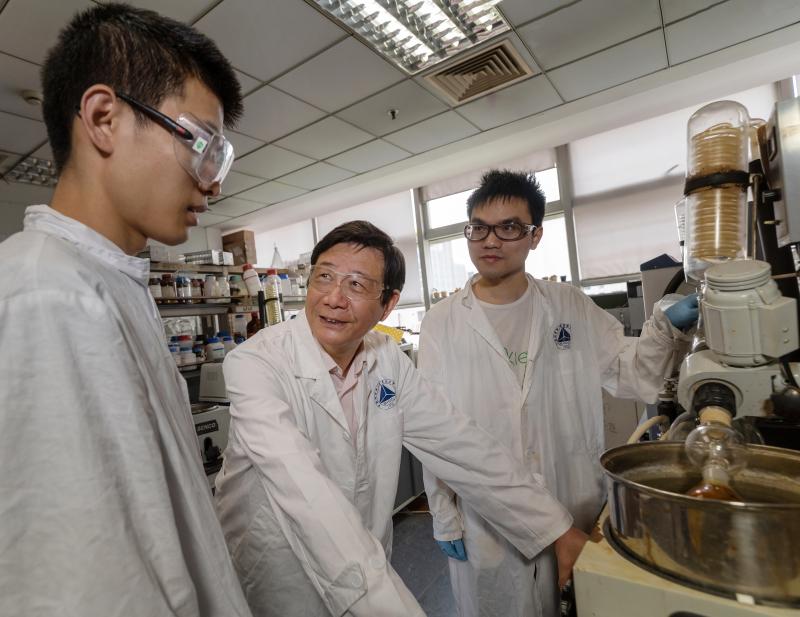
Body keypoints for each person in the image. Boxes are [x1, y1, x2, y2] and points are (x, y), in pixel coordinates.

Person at [0, 5, 252, 616]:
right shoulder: (47, 294)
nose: (213, 183)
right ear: (104, 119)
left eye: (220, 157)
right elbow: (87, 587)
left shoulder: (107, 280)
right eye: (201, 145)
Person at [214, 220, 588, 617]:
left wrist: (554, 527)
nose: (334, 298)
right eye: (324, 277)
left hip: (365, 566)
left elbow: (460, 444)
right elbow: (303, 489)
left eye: (356, 285)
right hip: (278, 574)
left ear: (388, 304)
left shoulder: (386, 359)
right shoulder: (255, 364)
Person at [419, 169, 698, 617]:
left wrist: (665, 327)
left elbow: (629, 372)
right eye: (479, 228)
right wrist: (444, 514)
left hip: (572, 502)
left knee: (576, 609)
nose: (491, 241)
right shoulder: (441, 322)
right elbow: (434, 429)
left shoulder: (568, 304)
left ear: (535, 236)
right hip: (487, 518)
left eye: (509, 228)